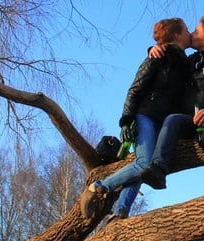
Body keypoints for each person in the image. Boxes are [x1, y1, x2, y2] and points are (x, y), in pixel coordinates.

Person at [79, 18, 191, 221]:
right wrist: (126, 119)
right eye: (186, 30)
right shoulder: (156, 58)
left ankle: (121, 211)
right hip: (145, 116)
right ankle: (98, 188)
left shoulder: (186, 64)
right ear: (176, 35)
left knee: (145, 168)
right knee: (145, 163)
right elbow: (135, 89)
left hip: (165, 124)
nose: (189, 33)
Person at [141, 16, 204, 190]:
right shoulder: (190, 62)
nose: (192, 34)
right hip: (190, 120)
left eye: (196, 32)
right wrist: (155, 49)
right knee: (172, 119)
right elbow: (170, 59)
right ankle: (158, 169)